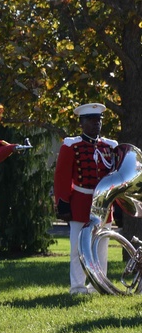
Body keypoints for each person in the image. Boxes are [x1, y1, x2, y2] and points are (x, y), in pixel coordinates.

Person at [53, 102, 117, 295]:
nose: (96, 124)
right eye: (91, 120)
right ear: (81, 123)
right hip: (81, 201)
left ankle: (99, 285)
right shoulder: (71, 145)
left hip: (104, 203)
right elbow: (62, 177)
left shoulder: (110, 146)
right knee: (77, 248)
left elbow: (116, 177)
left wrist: (118, 204)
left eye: (99, 120)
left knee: (102, 245)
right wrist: (63, 203)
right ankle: (78, 286)